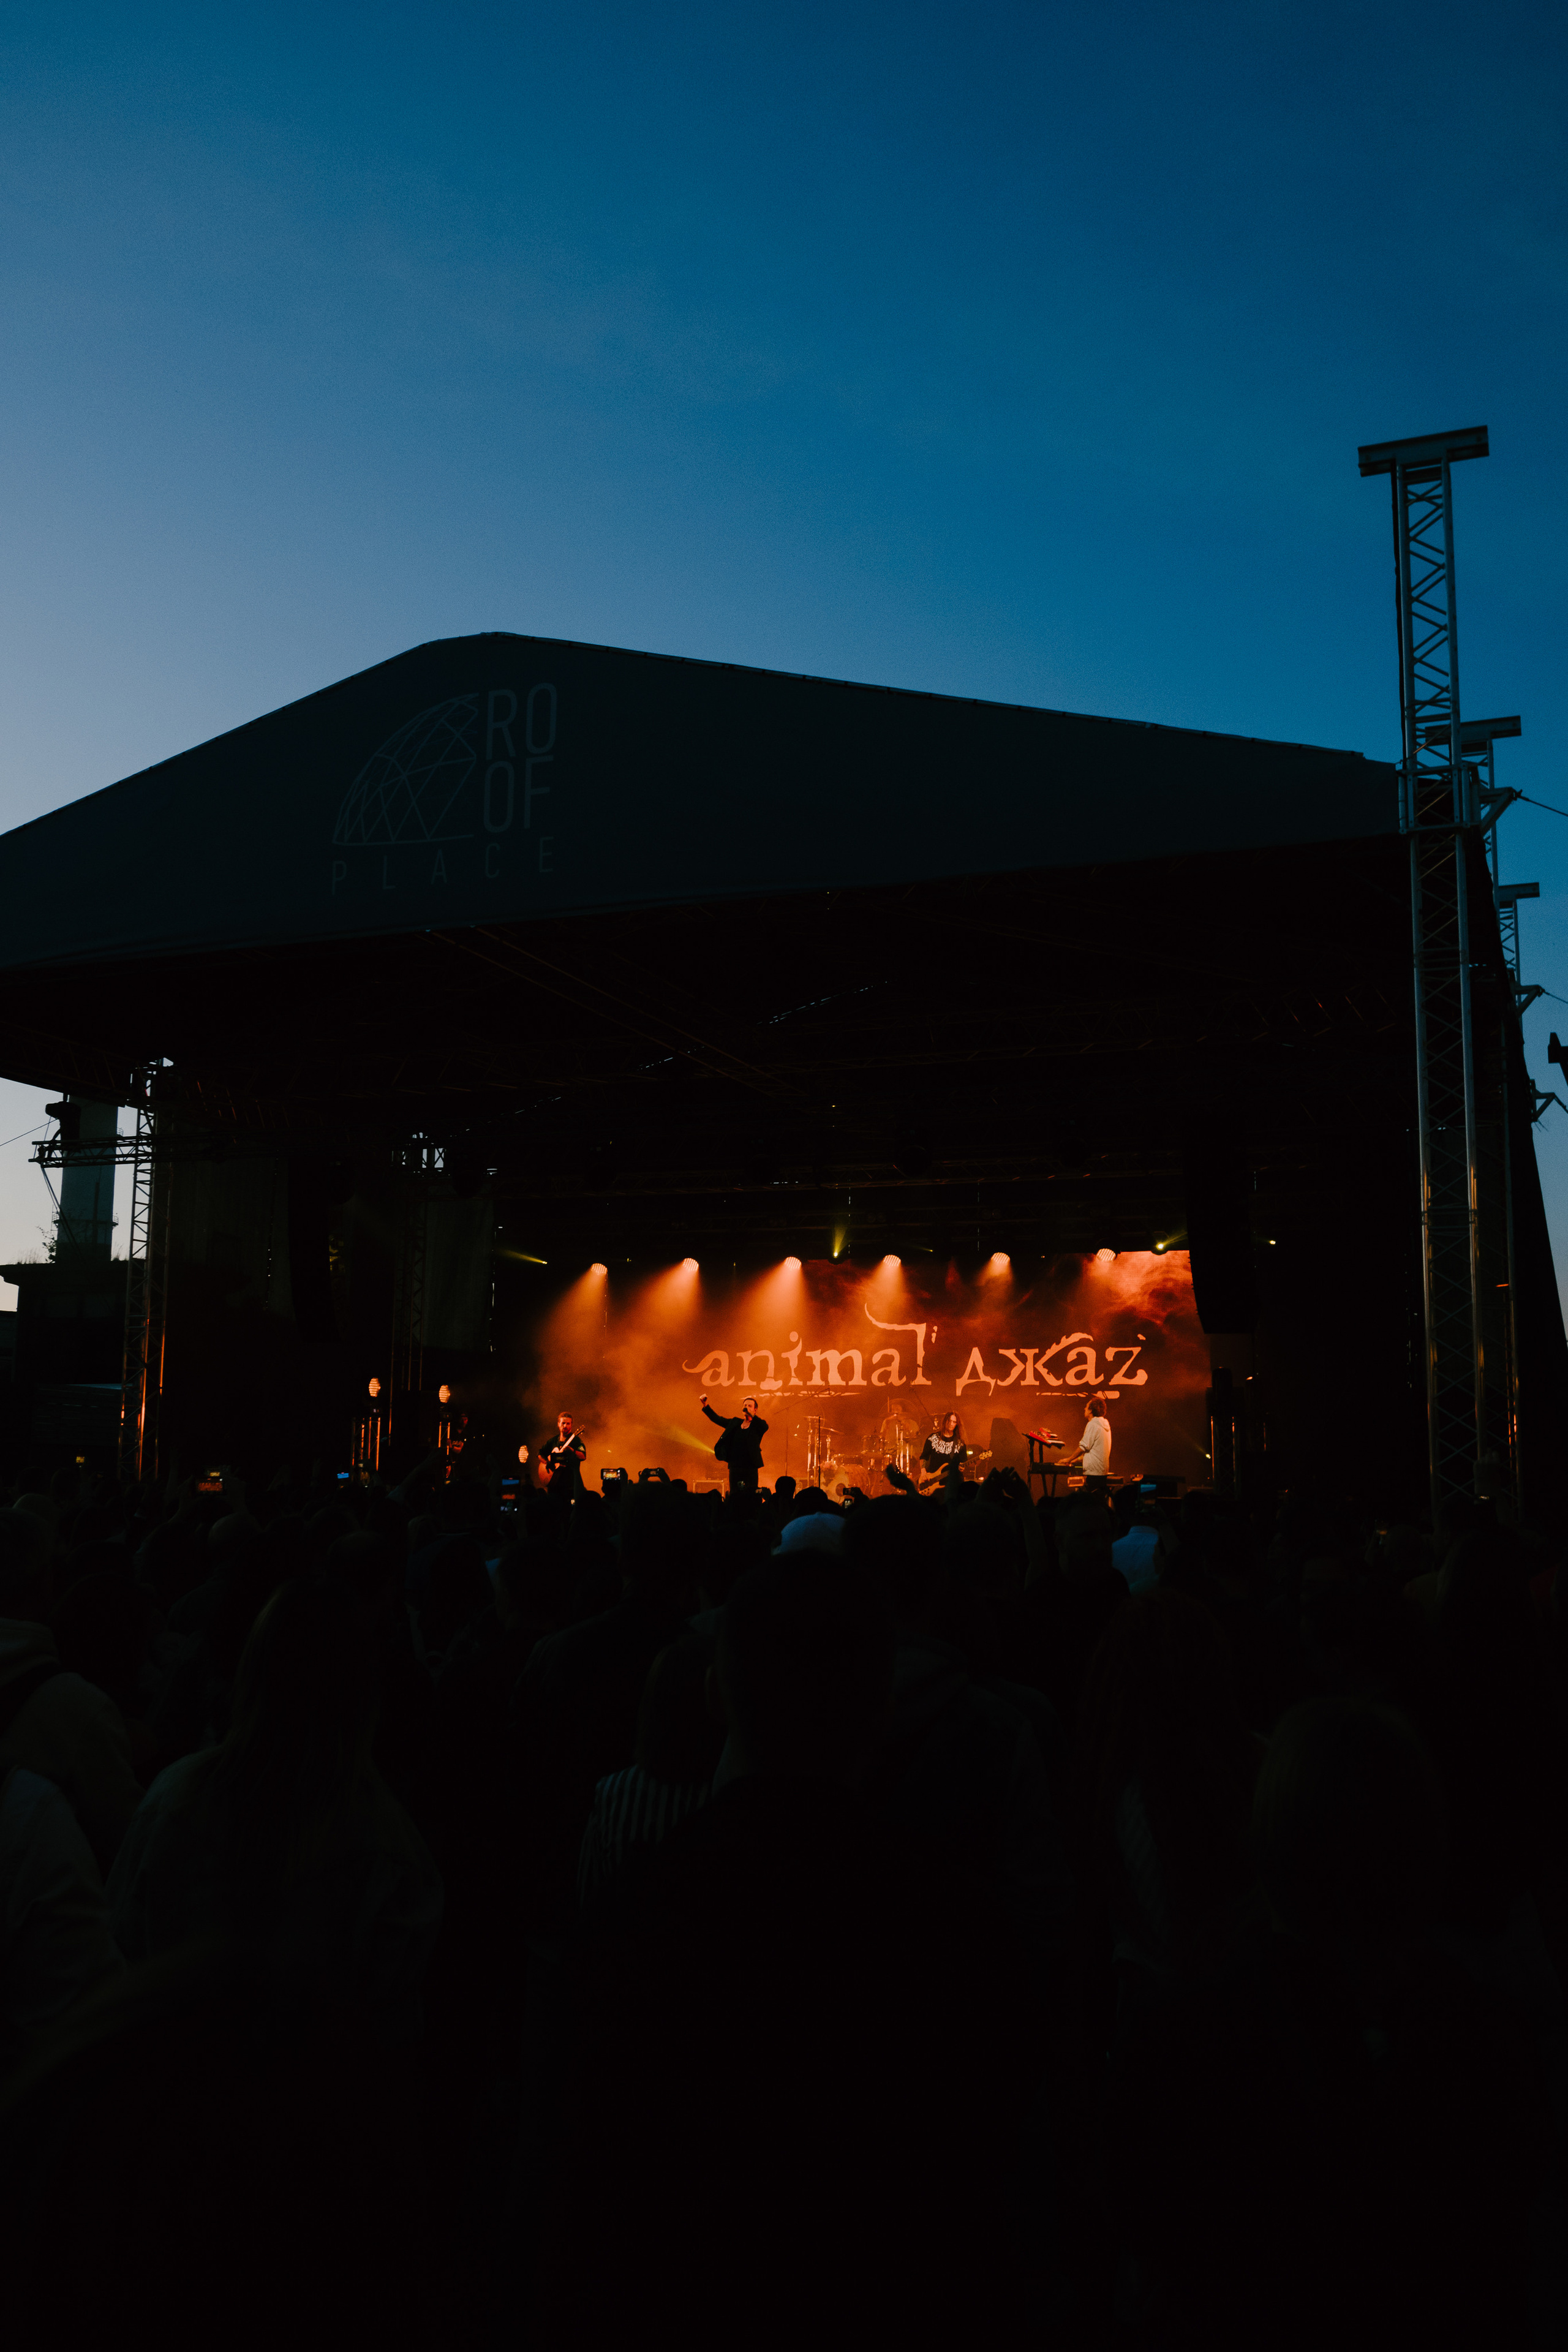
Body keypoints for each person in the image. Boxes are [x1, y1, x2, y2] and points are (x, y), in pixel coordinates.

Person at [699, 1391, 768, 1499]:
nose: (746, 1407)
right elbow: (718, 1419)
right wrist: (706, 1406)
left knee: (751, 1494)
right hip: (735, 1465)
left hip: (750, 1466)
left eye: (750, 1406)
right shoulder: (735, 1422)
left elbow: (765, 1427)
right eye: (745, 1405)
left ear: (755, 1410)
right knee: (735, 1494)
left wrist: (751, 1416)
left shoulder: (758, 1426)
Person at [1058, 1393, 1112, 1491]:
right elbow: (1093, 1451)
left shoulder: (1093, 1424)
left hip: (1093, 1473)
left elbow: (1083, 1447)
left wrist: (1069, 1459)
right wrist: (1075, 1461)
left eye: (1086, 1407)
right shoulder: (1104, 1425)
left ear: (1091, 1410)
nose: (1084, 1409)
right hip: (1102, 1472)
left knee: (1090, 1502)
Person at [541, 1413, 587, 1504]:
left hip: (570, 1485)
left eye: (568, 1423)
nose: (565, 1426)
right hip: (553, 1486)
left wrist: (573, 1451)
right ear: (558, 1424)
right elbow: (540, 1453)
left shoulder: (576, 1441)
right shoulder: (553, 1441)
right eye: (563, 1423)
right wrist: (546, 1462)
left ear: (572, 1425)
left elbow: (583, 1456)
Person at [919, 1410, 967, 1490]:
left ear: (957, 1425)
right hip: (934, 1482)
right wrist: (923, 1472)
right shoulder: (933, 1438)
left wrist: (962, 1467)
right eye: (949, 1421)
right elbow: (924, 1456)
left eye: (954, 1422)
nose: (951, 1424)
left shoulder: (960, 1443)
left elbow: (963, 1462)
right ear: (945, 1421)